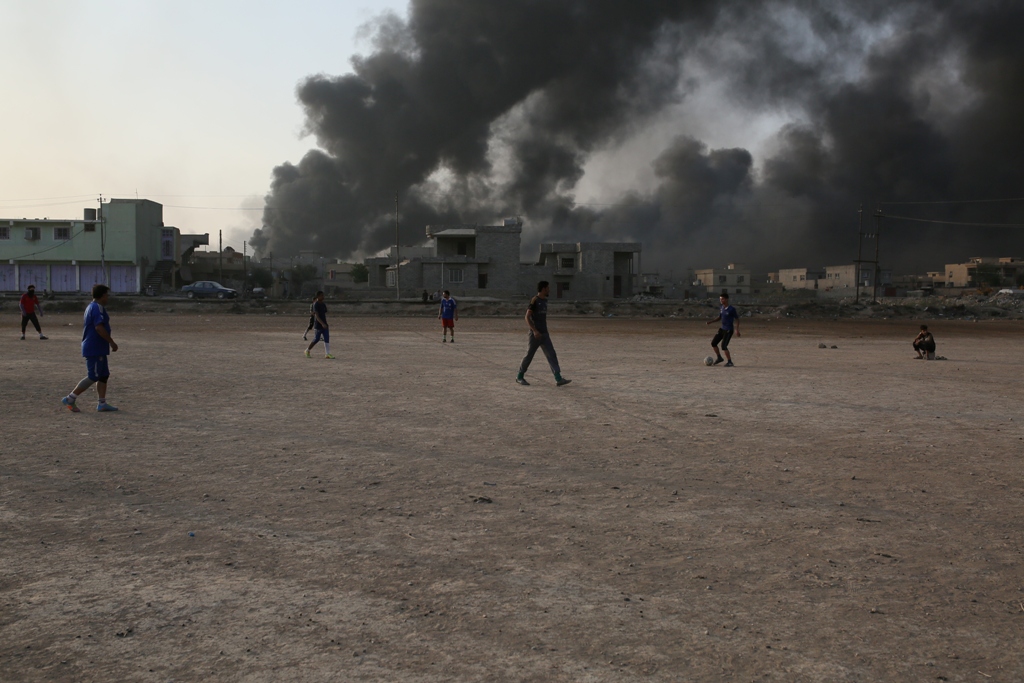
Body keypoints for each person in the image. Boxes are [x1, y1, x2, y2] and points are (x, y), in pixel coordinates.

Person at [61, 284, 118, 412]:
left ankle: (102, 403)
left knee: (103, 375)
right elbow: (99, 327)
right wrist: (111, 342)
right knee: (93, 375)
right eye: (107, 295)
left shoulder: (92, 306)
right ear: (102, 296)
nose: (108, 298)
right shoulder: (97, 308)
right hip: (94, 347)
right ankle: (70, 398)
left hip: (99, 347)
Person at [516, 281, 571, 386]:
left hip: (544, 334)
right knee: (529, 355)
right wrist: (535, 331)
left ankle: (558, 378)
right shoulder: (535, 300)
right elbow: (527, 317)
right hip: (535, 335)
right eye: (548, 288)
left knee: (551, 354)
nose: (549, 290)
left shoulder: (545, 301)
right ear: (543, 289)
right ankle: (519, 376)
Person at [706, 291, 740, 367]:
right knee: (713, 343)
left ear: (726, 299)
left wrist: (737, 329)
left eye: (722, 299)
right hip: (722, 329)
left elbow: (737, 319)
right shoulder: (722, 308)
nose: (721, 301)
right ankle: (719, 358)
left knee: (724, 346)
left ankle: (730, 362)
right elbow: (720, 317)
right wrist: (711, 322)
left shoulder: (731, 309)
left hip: (728, 330)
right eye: (720, 299)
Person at [304, 290, 334, 359]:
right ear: (318, 296)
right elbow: (317, 316)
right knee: (316, 339)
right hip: (318, 325)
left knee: (326, 338)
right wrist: (322, 323)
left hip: (325, 324)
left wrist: (325, 323)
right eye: (321, 296)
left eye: (323, 295)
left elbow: (324, 314)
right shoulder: (316, 304)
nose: (323, 297)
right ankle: (307, 350)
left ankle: (327, 353)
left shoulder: (323, 304)